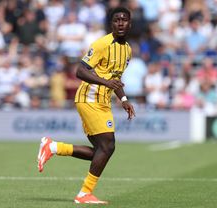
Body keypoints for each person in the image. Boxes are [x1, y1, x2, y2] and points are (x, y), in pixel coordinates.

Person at [37, 7, 135, 204]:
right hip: (88, 99)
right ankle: (84, 194)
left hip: (103, 102)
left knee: (101, 151)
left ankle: (53, 147)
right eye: (117, 20)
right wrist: (106, 83)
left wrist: (123, 99)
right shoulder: (102, 44)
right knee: (108, 147)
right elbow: (80, 71)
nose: (121, 23)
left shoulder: (127, 50)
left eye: (124, 20)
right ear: (112, 24)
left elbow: (115, 78)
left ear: (130, 24)